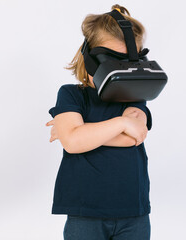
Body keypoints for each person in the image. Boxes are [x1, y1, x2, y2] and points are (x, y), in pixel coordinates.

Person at [45, 4, 152, 240]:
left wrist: (80, 132)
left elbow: (133, 137)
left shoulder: (135, 98)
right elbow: (73, 143)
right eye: (112, 61)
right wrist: (121, 124)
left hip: (133, 214)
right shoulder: (72, 95)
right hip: (85, 213)